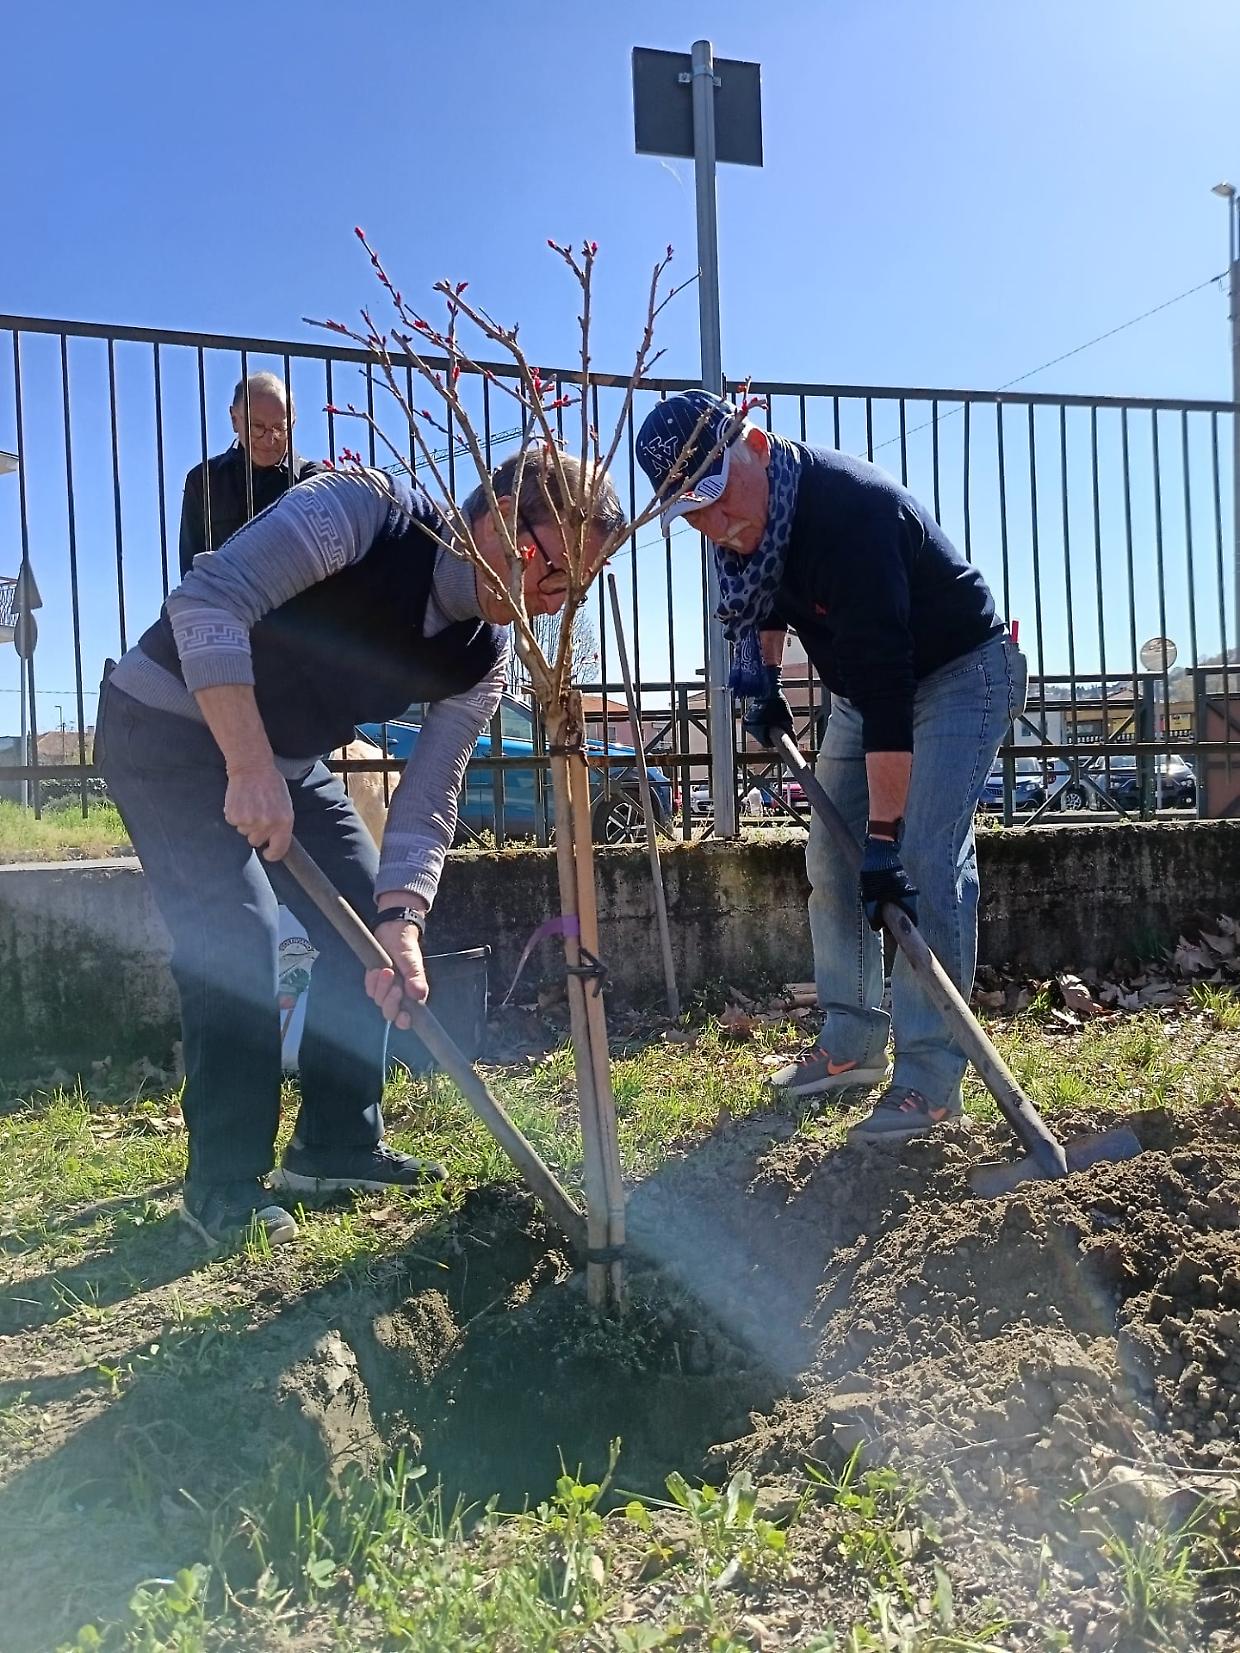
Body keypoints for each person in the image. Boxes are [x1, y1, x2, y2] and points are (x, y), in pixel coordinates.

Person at [97, 454, 624, 1247]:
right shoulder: (364, 512)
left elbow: (431, 791)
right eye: (554, 571)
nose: (554, 602)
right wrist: (244, 764)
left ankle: (335, 1144)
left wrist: (404, 920)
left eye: (575, 590)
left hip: (281, 761)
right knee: (238, 934)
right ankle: (224, 1184)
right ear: (501, 518)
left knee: (367, 923)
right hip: (165, 726)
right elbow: (207, 601)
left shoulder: (482, 658)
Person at [636, 391, 1027, 1141]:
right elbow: (769, 597)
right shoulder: (758, 525)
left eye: (717, 499)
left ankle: (930, 1078)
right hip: (861, 686)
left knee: (921, 861)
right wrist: (766, 677)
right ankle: (851, 1042)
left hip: (957, 673)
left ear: (751, 441)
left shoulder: (852, 515)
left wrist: (883, 838)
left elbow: (889, 689)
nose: (716, 526)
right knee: (828, 852)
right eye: (693, 513)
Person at [178, 371, 325, 575]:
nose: (269, 439)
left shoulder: (314, 480)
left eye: (279, 428)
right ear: (234, 420)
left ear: (292, 423)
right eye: (257, 427)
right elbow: (191, 569)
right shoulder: (204, 481)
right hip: (224, 603)